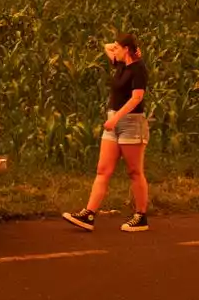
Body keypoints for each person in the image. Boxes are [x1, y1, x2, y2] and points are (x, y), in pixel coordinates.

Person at [62, 33, 150, 233]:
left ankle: (141, 216)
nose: (114, 50)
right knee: (103, 169)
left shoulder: (138, 69)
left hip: (131, 122)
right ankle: (89, 214)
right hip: (114, 122)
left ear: (126, 50)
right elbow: (106, 46)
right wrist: (125, 47)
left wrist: (115, 118)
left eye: (119, 48)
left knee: (134, 171)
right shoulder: (120, 64)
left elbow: (137, 98)